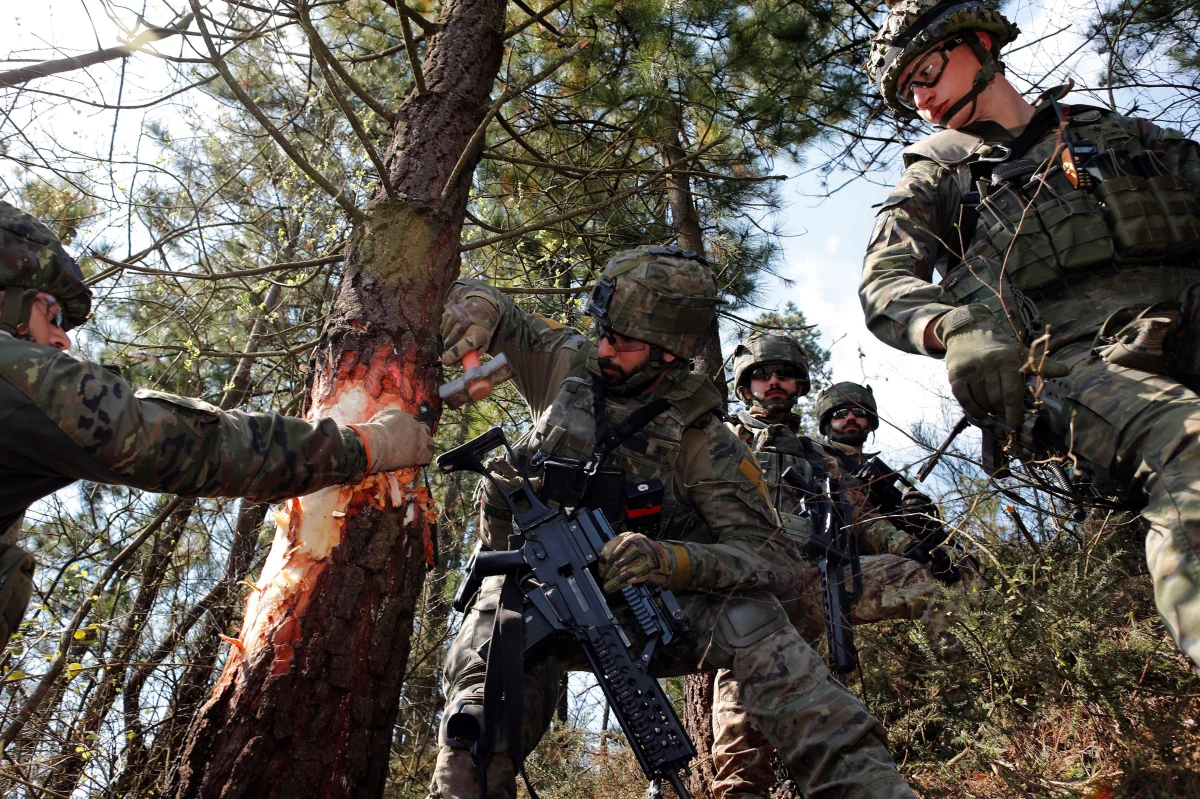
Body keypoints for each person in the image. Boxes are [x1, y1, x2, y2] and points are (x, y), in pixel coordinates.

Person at [427, 247, 916, 799]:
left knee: (758, 624)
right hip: (531, 594)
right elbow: (491, 304)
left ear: (669, 353)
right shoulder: (566, 362)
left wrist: (670, 561)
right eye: (606, 331)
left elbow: (773, 558)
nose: (606, 348)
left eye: (625, 342)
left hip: (638, 609)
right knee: (479, 701)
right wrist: (476, 309)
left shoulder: (704, 439)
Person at [862, 0, 1200, 673]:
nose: (922, 98)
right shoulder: (940, 176)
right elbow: (884, 281)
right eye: (907, 93)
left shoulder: (1125, 138)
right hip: (1076, 368)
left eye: (925, 72)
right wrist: (953, 327)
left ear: (979, 43)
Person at [0, 200, 433, 649]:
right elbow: (188, 446)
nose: (62, 337)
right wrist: (365, 446)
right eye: (49, 312)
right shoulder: (13, 374)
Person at [711, 334, 975, 799]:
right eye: (762, 375)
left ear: (798, 385)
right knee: (741, 717)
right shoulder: (720, 437)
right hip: (747, 587)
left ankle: (969, 698)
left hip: (814, 577)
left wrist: (912, 548)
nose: (774, 382)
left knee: (916, 579)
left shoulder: (818, 455)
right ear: (745, 385)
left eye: (785, 375)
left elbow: (863, 516)